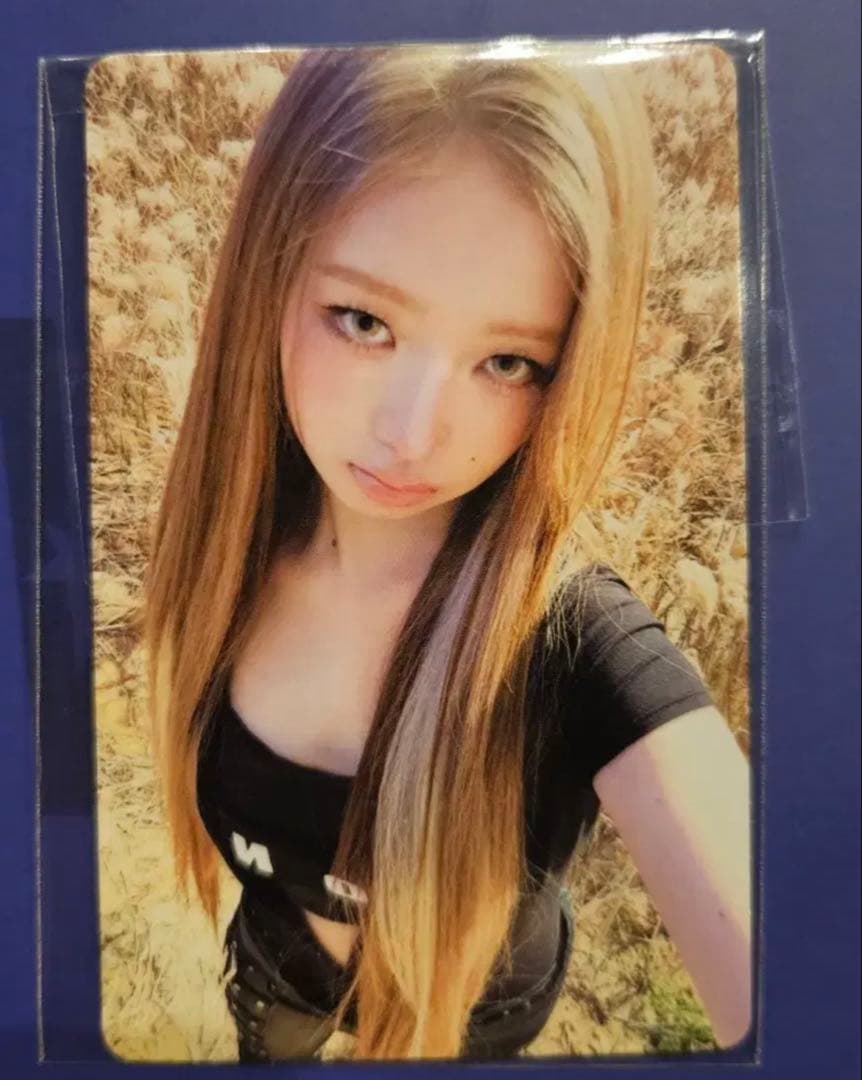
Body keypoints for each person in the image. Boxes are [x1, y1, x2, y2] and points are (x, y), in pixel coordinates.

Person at [143, 43, 752, 1062]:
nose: (413, 433)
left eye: (508, 362)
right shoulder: (226, 550)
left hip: (472, 1031)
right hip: (275, 979)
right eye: (363, 321)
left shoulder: (571, 645)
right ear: (266, 281)